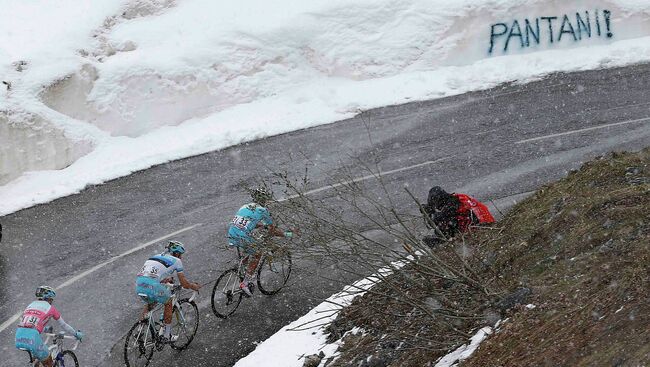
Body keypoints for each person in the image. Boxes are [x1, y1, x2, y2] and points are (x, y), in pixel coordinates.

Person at [227, 187, 293, 297]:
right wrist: (286, 234)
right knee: (257, 254)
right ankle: (245, 283)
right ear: (264, 199)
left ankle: (240, 267)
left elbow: (248, 222)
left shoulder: (244, 206)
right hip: (243, 237)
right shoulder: (263, 210)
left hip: (232, 234)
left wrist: (261, 225)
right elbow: (272, 230)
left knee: (248, 251)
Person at [135, 240, 200, 343]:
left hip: (139, 284)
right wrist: (193, 286)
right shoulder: (177, 261)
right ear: (177, 253)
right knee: (168, 302)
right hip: (152, 285)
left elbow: (151, 274)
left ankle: (139, 330)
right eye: (181, 254)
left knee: (151, 303)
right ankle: (167, 335)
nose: (181, 257)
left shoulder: (154, 256)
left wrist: (165, 280)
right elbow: (184, 283)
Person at [15, 286, 83, 367]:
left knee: (38, 360)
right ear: (48, 298)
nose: (51, 301)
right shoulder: (51, 308)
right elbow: (64, 325)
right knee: (48, 362)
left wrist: (44, 329)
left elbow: (30, 323)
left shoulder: (30, 305)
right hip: (32, 338)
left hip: (18, 337)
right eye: (51, 299)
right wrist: (76, 334)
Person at [422, 186, 495, 245]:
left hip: (480, 229)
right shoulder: (456, 198)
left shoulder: (451, 206)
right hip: (488, 224)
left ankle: (449, 246)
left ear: (438, 200)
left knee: (440, 230)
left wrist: (429, 211)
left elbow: (435, 221)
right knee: (447, 223)